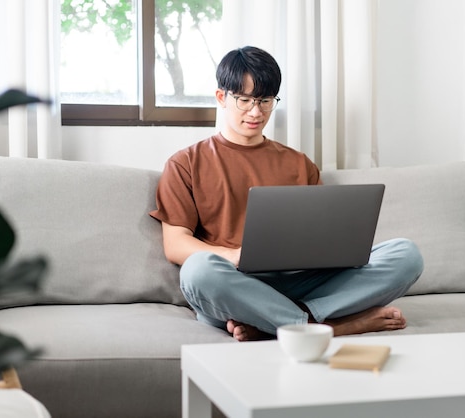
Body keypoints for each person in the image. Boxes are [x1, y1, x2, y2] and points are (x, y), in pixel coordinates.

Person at [149, 46, 423, 342]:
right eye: (245, 100)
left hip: (301, 283)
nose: (256, 112)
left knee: (407, 254)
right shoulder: (186, 163)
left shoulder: (298, 164)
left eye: (266, 101)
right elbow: (175, 245)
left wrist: (336, 252)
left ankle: (277, 323)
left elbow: (325, 236)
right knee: (198, 272)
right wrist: (233, 256)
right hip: (236, 287)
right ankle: (331, 326)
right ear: (221, 98)